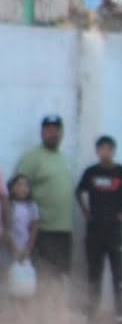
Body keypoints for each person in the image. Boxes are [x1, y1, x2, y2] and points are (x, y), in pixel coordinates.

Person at [75, 135, 122, 324]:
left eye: (108, 149)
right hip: (95, 228)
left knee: (118, 272)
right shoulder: (90, 172)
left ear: (113, 151)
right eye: (101, 149)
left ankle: (120, 312)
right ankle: (91, 311)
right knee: (93, 272)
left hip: (115, 229)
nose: (105, 152)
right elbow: (78, 191)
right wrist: (85, 211)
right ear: (97, 152)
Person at [15, 115, 75, 304]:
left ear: (61, 133)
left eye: (56, 129)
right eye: (48, 129)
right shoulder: (32, 158)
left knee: (60, 274)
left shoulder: (64, 158)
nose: (52, 133)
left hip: (64, 229)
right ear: (42, 132)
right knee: (43, 273)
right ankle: (40, 312)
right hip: (43, 229)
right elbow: (19, 188)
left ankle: (55, 311)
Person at [3, 174, 39, 301]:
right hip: (8, 249)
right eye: (19, 185)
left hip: (25, 250)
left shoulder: (32, 206)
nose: (23, 188)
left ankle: (23, 313)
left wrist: (28, 249)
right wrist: (13, 249)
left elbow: (34, 228)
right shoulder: (8, 206)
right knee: (8, 278)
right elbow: (5, 229)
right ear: (11, 188)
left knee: (24, 282)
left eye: (26, 185)